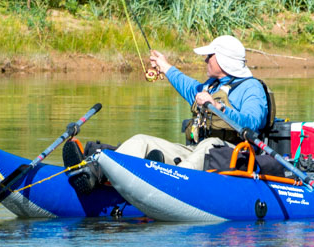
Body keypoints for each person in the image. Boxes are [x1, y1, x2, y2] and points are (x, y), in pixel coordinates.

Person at [115, 35, 272, 169]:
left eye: (209, 56)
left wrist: (219, 108)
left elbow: (253, 122)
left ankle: (171, 181)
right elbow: (188, 86)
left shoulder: (252, 87)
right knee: (140, 141)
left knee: (209, 145)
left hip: (230, 155)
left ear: (224, 60)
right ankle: (106, 172)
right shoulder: (211, 85)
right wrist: (165, 66)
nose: (205, 60)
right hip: (196, 151)